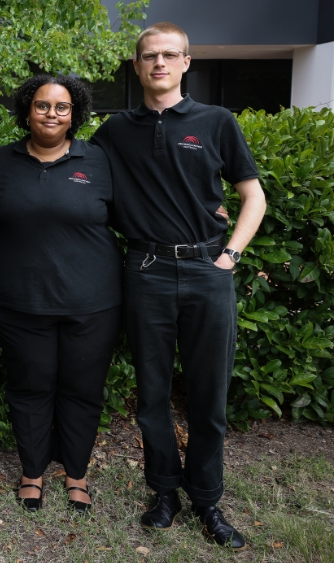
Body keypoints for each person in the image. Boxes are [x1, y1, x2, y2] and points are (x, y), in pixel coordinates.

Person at [89, 22, 265, 549]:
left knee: (209, 393)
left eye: (169, 55)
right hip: (146, 271)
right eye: (149, 56)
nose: (159, 63)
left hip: (209, 272)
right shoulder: (116, 130)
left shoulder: (216, 122)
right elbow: (66, 166)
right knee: (153, 394)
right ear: (138, 66)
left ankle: (207, 499)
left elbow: (252, 196)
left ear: (187, 62)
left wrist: (230, 256)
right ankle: (163, 490)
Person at [0, 75, 122, 515]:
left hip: (93, 302)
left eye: (61, 107)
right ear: (26, 110)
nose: (51, 114)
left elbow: (141, 208)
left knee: (82, 389)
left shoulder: (98, 160)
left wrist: (203, 211)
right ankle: (32, 473)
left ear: (75, 112)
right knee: (29, 388)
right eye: (41, 105)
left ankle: (76, 474)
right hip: (20, 302)